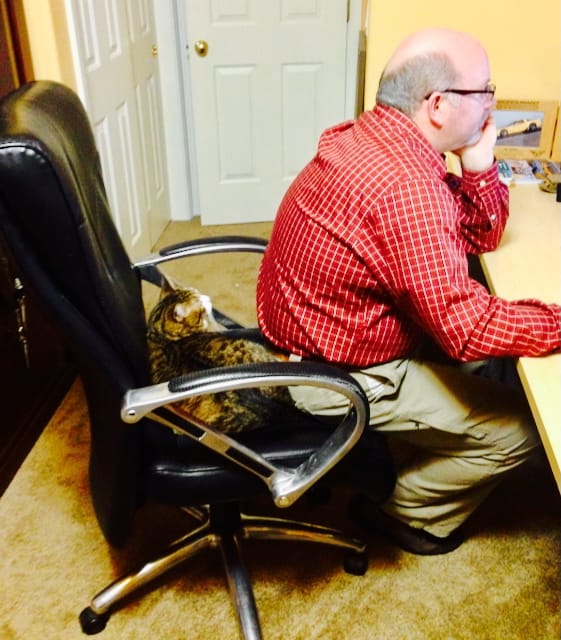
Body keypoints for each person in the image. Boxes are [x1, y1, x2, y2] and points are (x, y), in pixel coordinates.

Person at [256, 28, 561, 555]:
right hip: (333, 373)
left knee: (494, 358)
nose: (493, 103)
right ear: (438, 104)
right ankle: (403, 510)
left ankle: (414, 442)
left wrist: (480, 166)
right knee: (523, 430)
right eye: (485, 91)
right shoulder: (406, 187)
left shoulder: (372, 138)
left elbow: (476, 235)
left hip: (327, 329)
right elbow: (469, 329)